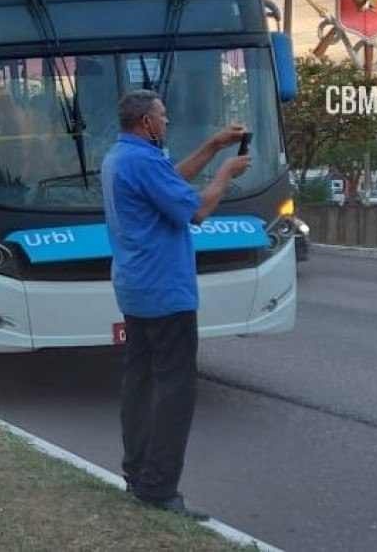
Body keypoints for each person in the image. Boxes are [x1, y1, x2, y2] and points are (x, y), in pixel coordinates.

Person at [101, 89, 250, 519]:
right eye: (163, 116)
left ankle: (136, 474)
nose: (167, 122)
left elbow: (172, 183)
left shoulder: (122, 156)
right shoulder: (144, 160)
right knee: (175, 389)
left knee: (140, 382)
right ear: (146, 122)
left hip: (135, 287)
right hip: (165, 291)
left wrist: (213, 145)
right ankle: (159, 487)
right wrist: (226, 172)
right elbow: (197, 211)